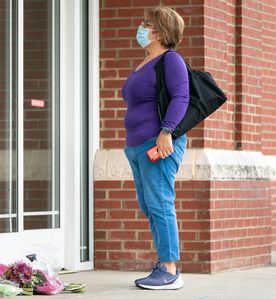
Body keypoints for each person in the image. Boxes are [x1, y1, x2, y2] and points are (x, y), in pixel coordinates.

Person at [122, 6, 189, 290]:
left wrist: (167, 131)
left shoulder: (170, 60)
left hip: (157, 142)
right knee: (149, 205)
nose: (141, 27)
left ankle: (170, 270)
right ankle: (164, 262)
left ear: (160, 32)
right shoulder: (145, 62)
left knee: (160, 203)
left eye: (146, 24)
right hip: (137, 146)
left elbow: (181, 96)